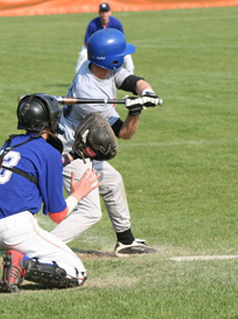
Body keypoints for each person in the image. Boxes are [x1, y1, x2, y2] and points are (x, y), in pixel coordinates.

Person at [0, 94, 101, 292]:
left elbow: (36, 163)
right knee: (76, 272)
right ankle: (22, 265)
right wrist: (77, 194)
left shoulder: (11, 143)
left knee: (0, 205)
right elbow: (57, 215)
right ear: (50, 120)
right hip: (15, 232)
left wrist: (74, 155)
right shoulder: (48, 152)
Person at [54, 28, 161, 256]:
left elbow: (132, 81)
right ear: (111, 59)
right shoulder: (89, 94)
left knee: (112, 181)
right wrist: (135, 112)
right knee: (90, 212)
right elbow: (123, 133)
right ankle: (39, 248)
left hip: (84, 146)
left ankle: (126, 241)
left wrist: (148, 92)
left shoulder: (98, 67)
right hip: (71, 150)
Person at [74, 2, 135, 74]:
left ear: (110, 12)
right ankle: (78, 76)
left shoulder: (115, 23)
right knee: (83, 55)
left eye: (106, 11)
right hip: (94, 48)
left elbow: (122, 40)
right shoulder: (93, 24)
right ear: (99, 12)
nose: (104, 14)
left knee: (127, 55)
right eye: (102, 11)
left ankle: (130, 74)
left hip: (113, 47)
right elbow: (87, 42)